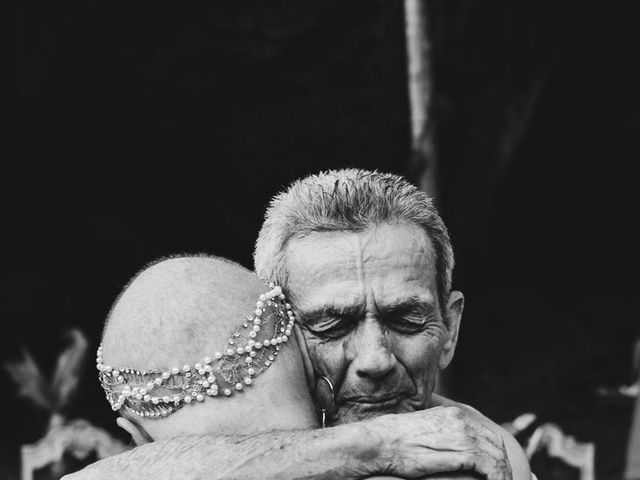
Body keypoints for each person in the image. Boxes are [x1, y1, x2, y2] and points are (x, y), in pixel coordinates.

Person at [70, 170, 530, 479]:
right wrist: (376, 444)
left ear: (449, 327)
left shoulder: (483, 449)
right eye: (332, 325)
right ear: (281, 332)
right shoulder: (221, 441)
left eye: (406, 320)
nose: (375, 360)